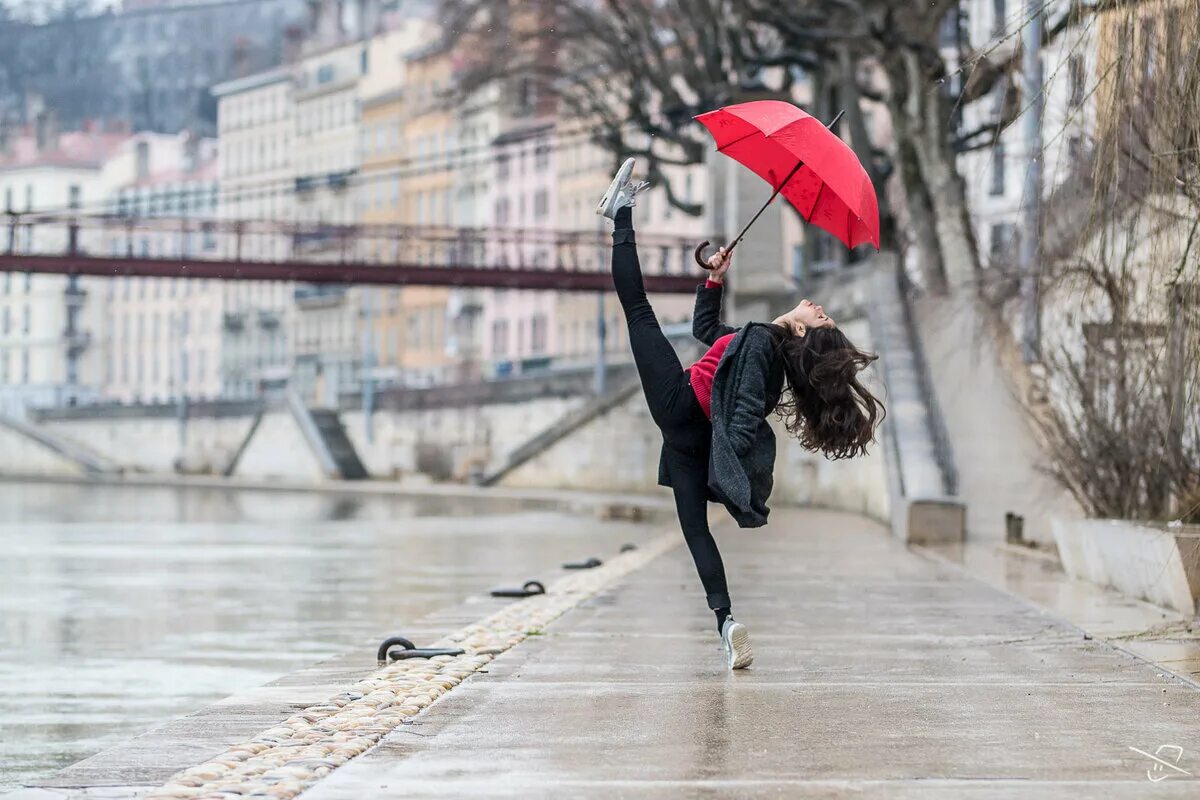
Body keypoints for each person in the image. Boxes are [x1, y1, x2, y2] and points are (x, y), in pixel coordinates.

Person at [596, 157, 884, 670]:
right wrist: (715, 280)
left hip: (681, 406)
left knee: (638, 311)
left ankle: (620, 212)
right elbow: (706, 332)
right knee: (694, 531)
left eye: (820, 318)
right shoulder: (762, 345)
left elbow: (746, 408)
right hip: (691, 438)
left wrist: (733, 451)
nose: (818, 307)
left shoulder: (764, 344)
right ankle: (726, 622)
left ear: (801, 330)